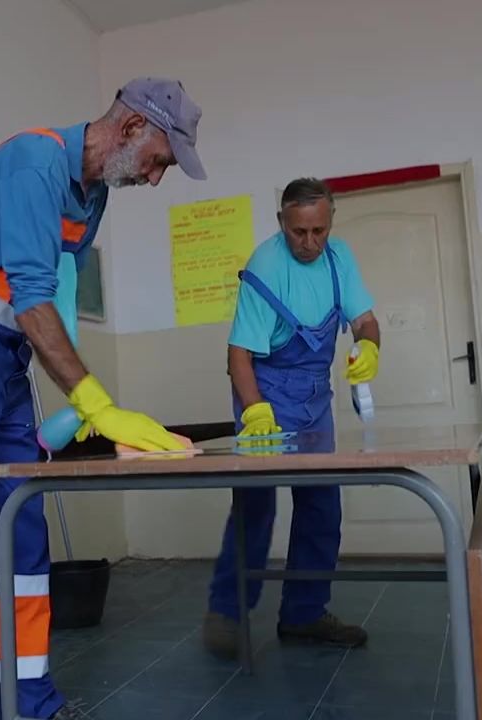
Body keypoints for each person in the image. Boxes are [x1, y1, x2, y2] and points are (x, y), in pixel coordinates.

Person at [0, 78, 206, 720]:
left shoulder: (92, 194)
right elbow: (31, 298)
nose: (157, 178)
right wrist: (98, 403)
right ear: (131, 128)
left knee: (19, 534)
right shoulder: (32, 163)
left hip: (8, 364)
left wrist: (77, 408)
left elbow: (57, 298)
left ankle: (30, 705)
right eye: (160, 159)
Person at [202, 177, 382, 658]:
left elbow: (364, 319)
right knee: (256, 505)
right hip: (264, 390)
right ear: (282, 222)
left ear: (330, 223)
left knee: (322, 504)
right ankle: (226, 610)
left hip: (314, 397)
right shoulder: (266, 263)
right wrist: (256, 411)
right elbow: (238, 353)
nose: (309, 243)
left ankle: (304, 614)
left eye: (318, 231)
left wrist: (369, 344)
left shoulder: (340, 258)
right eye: (299, 232)